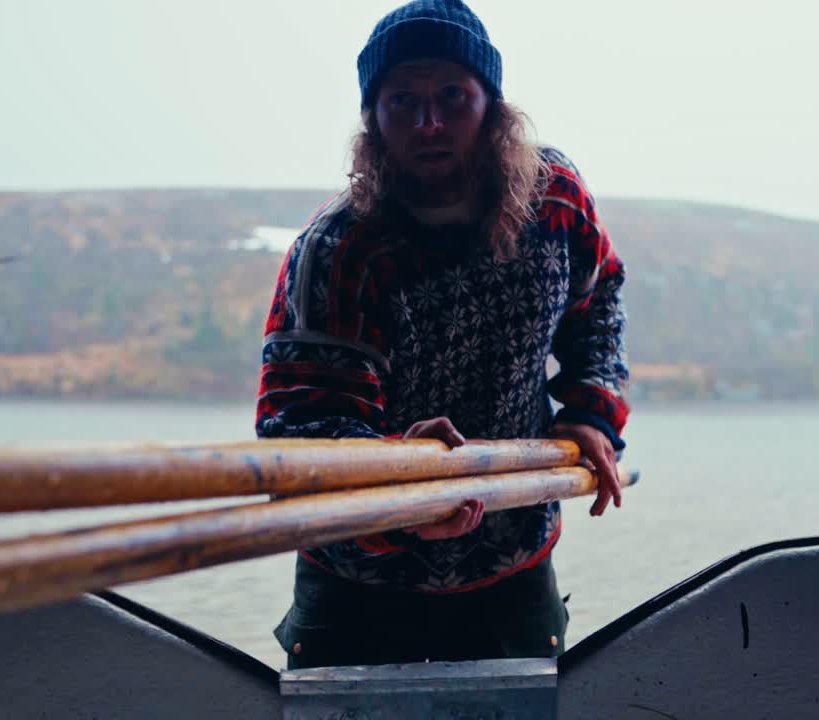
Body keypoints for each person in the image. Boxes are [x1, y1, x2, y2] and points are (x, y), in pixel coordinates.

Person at [256, 0, 629, 669]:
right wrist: (400, 489)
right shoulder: (341, 251)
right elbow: (299, 433)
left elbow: (597, 301)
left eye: (453, 96)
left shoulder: (557, 199)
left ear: (495, 106)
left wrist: (591, 414)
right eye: (403, 101)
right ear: (372, 120)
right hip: (358, 587)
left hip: (513, 566)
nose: (429, 123)